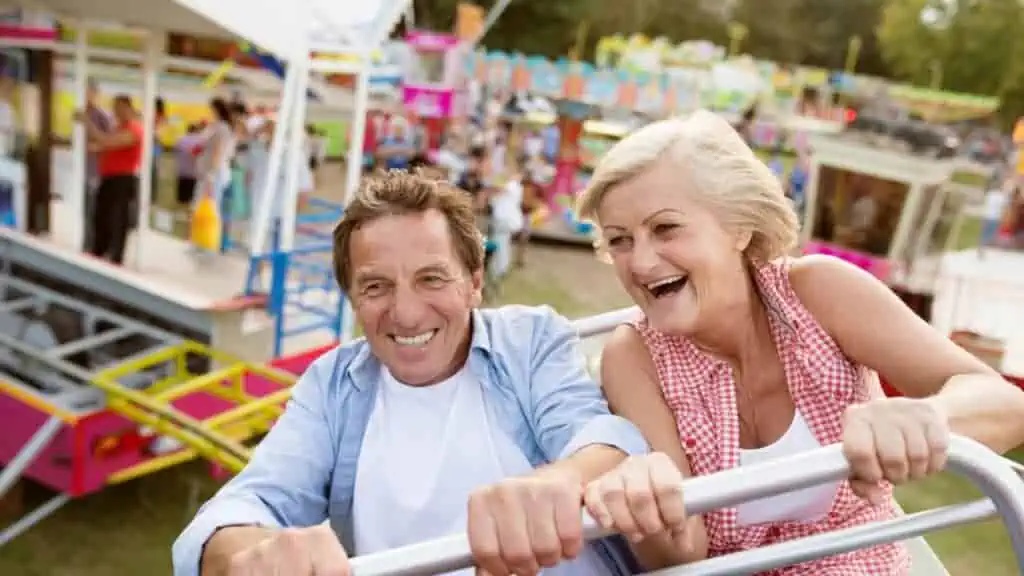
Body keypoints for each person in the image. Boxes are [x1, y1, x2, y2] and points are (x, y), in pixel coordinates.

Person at [574, 111, 1024, 574]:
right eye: (620, 240)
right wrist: (643, 507)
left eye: (665, 228)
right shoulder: (633, 356)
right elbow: (684, 552)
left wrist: (928, 418)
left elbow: (1006, 404)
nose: (642, 262)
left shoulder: (817, 291)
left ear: (739, 227)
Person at [172, 171, 648, 576]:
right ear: (353, 300)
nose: (407, 313)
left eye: (431, 279)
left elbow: (602, 439)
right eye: (376, 287)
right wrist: (250, 555)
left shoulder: (530, 340)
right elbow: (242, 505)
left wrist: (559, 481)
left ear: (475, 282)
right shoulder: (333, 385)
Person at [78, 94, 143, 265]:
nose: (116, 112)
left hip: (122, 179)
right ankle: (99, 249)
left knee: (117, 218)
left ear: (128, 108)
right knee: (100, 215)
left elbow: (110, 141)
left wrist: (88, 123)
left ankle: (115, 255)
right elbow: (107, 145)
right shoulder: (118, 127)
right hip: (108, 177)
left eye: (119, 108)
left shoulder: (134, 129)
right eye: (115, 108)